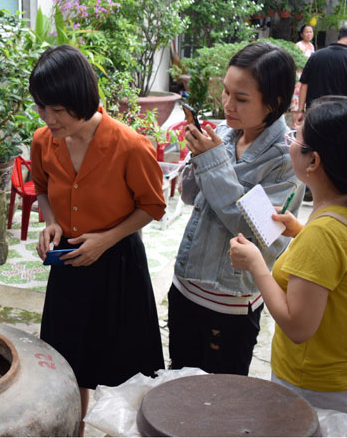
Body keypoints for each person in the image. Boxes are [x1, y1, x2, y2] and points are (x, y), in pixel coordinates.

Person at [29, 45, 166, 435]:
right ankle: (75, 429)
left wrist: (105, 240)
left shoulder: (129, 146)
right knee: (69, 362)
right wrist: (52, 223)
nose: (48, 119)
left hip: (118, 265)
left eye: (56, 110)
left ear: (81, 100)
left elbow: (153, 206)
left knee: (124, 368)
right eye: (42, 108)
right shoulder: (44, 141)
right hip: (70, 264)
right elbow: (41, 187)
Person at [167, 42, 304, 376]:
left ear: (274, 103)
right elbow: (189, 197)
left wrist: (211, 162)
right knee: (179, 390)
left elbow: (256, 228)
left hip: (230, 302)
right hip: (185, 286)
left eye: (241, 99)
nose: (228, 104)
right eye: (226, 92)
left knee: (221, 406)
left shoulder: (286, 160)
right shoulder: (226, 135)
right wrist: (197, 158)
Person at [230, 96, 347, 413]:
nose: (291, 143)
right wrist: (300, 230)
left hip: (312, 385)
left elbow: (298, 326)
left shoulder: (323, 235)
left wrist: (256, 265)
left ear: (314, 162)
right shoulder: (332, 217)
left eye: (297, 138)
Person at [295, 24, 347, 125]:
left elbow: (304, 84)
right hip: (340, 117)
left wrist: (300, 110)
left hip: (314, 115)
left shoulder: (316, 55)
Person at [290, 24, 315, 113]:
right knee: (296, 98)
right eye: (307, 32)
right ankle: (294, 124)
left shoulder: (312, 46)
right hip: (299, 75)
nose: (309, 34)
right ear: (301, 34)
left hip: (308, 75)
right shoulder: (298, 45)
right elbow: (294, 61)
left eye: (311, 32)